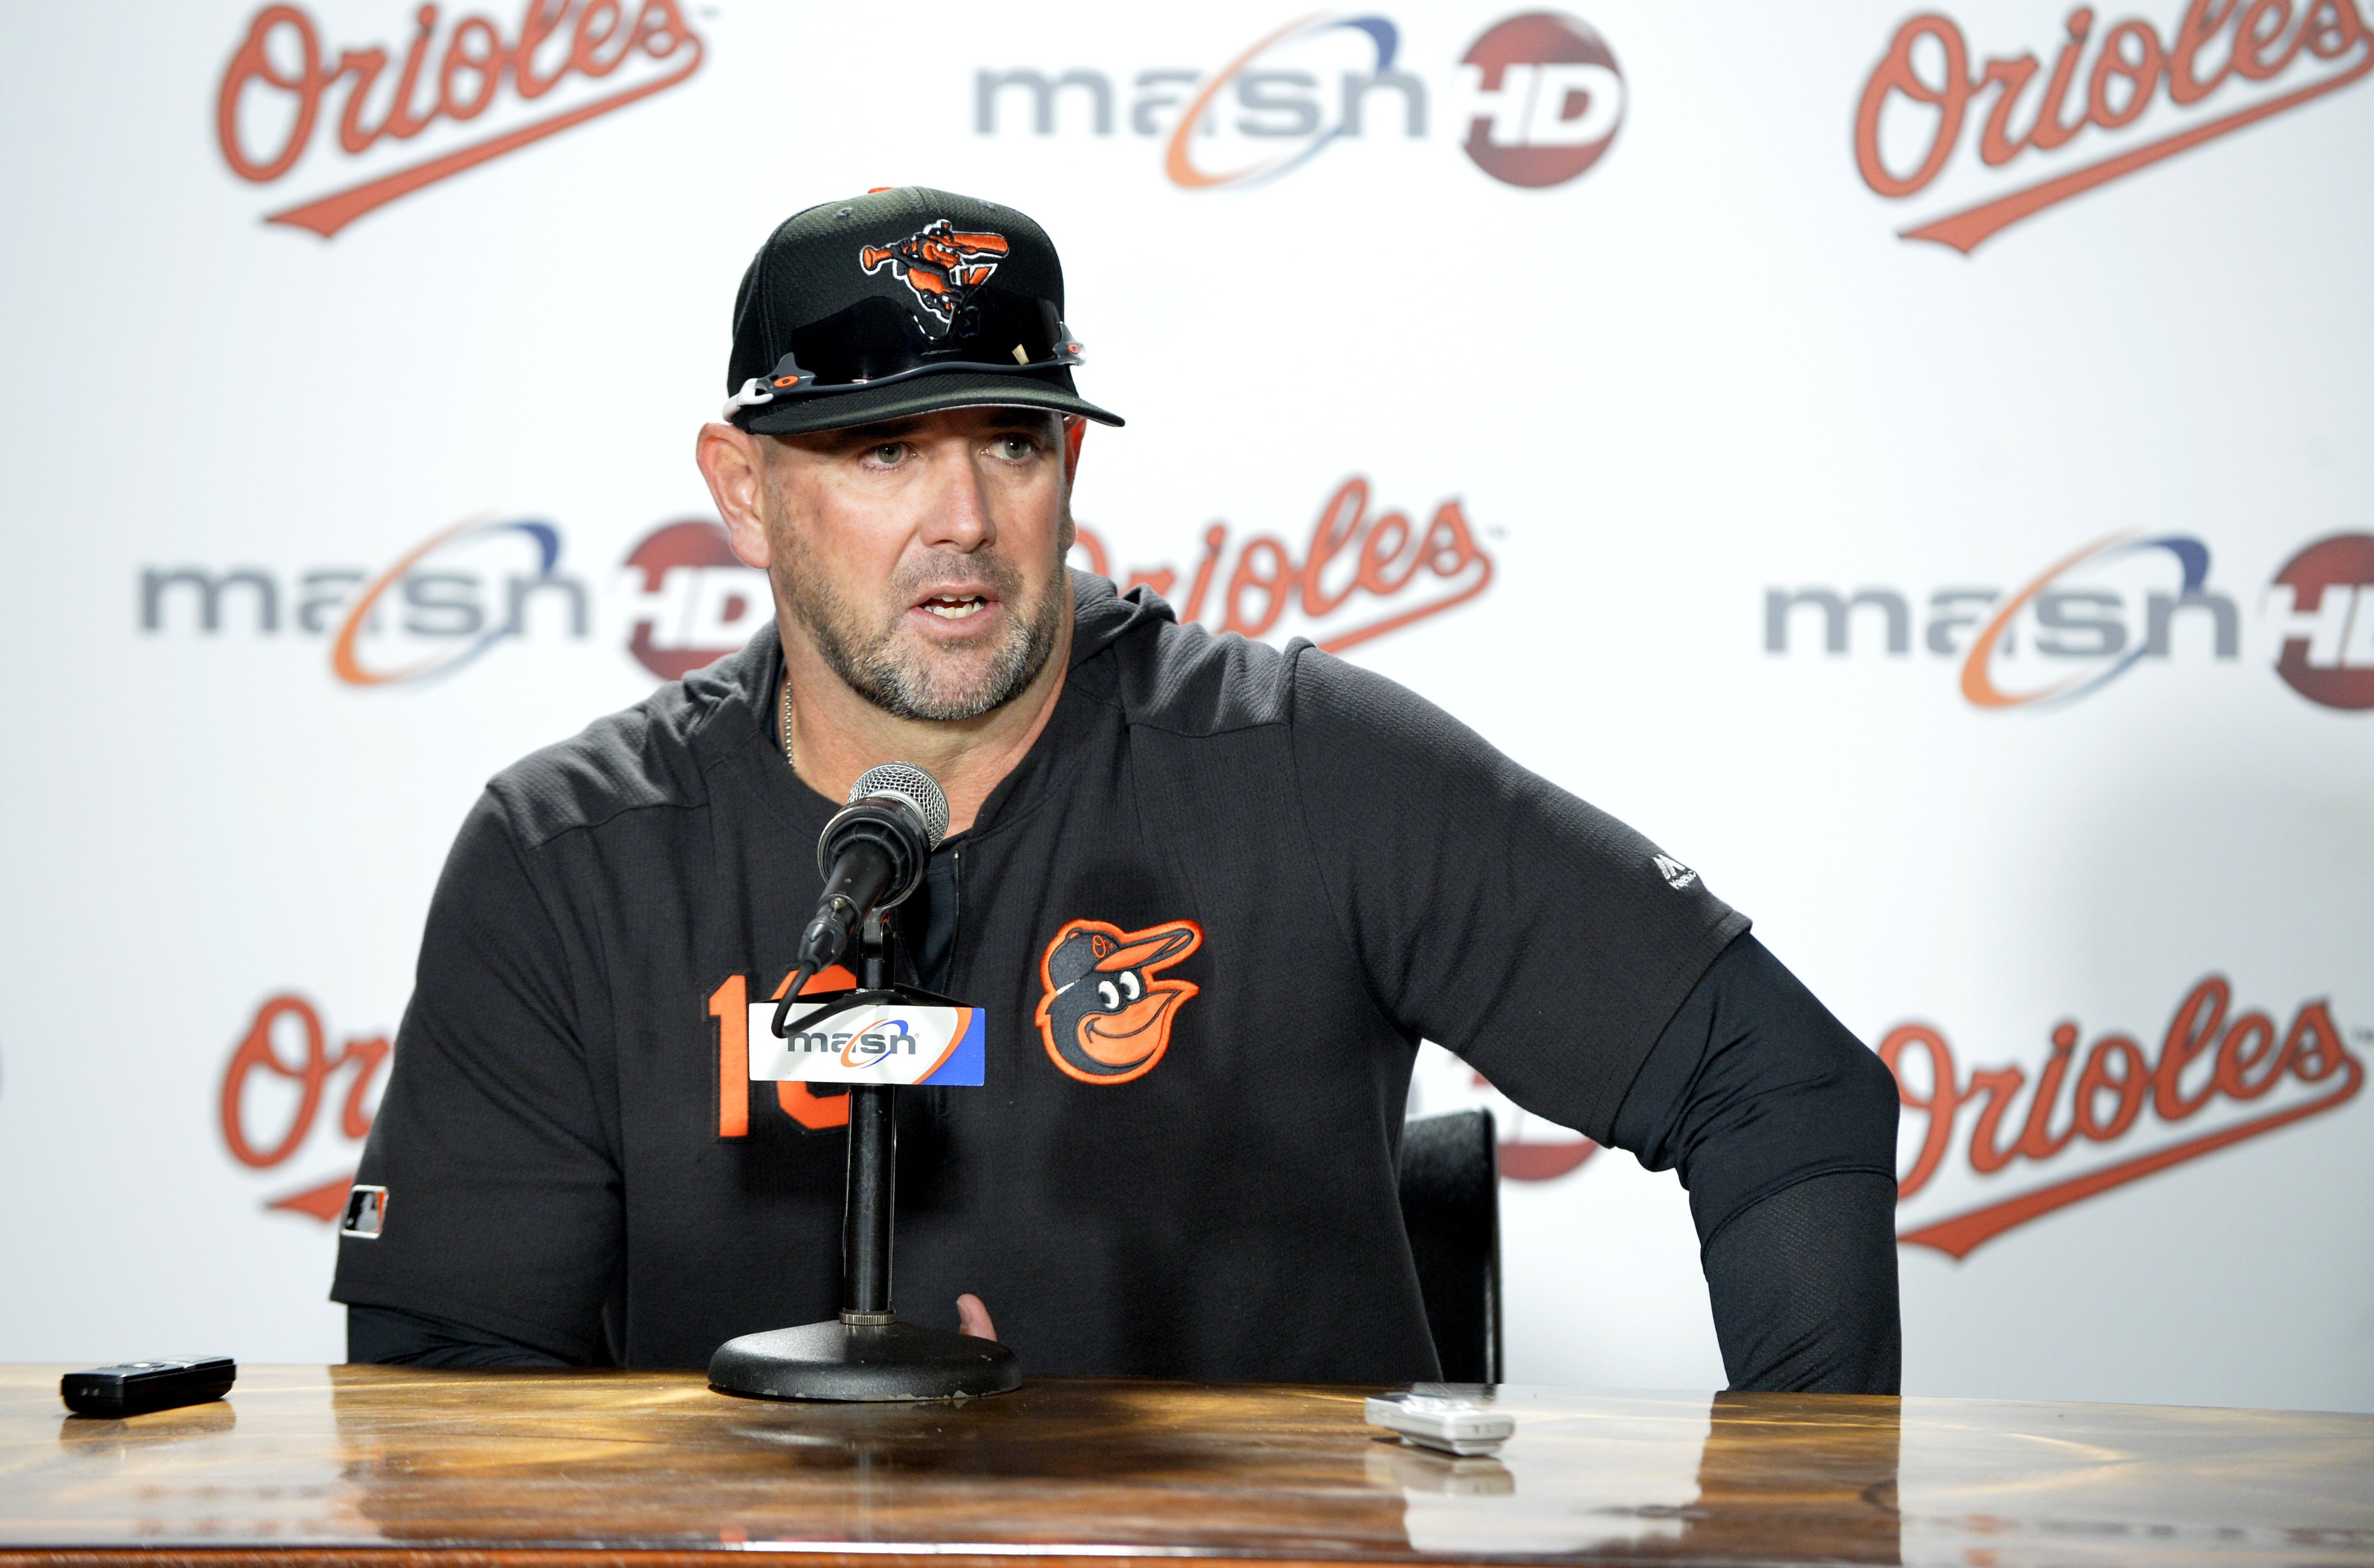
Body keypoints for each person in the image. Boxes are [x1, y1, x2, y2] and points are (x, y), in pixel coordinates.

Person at [334, 187, 1901, 1390]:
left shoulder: (1304, 767)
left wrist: (1809, 1525)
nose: (960, 515)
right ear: (743, 489)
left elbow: (1780, 1085)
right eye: (881, 452)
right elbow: (443, 1401)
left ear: (1069, 467)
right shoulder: (570, 859)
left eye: (1013, 442)